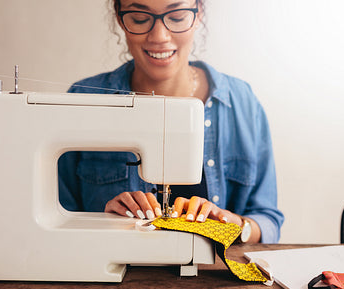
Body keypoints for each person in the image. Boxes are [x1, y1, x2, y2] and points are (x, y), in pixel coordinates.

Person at [58, 0, 284, 243]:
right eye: (140, 18)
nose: (159, 36)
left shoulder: (242, 102)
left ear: (198, 15)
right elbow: (60, 214)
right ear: (120, 18)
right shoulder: (86, 101)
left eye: (176, 17)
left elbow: (268, 220)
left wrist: (237, 225)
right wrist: (102, 221)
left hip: (212, 277)